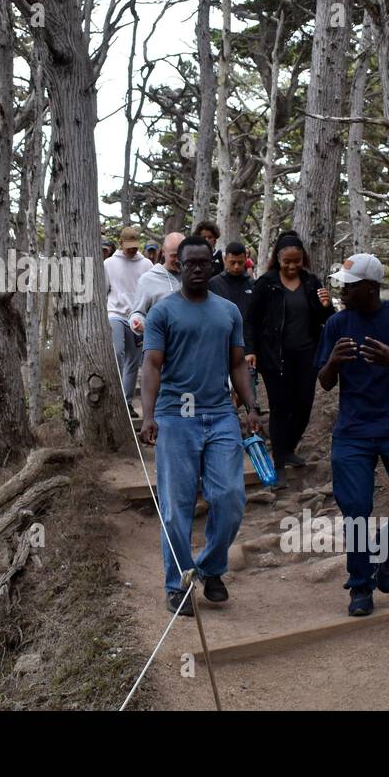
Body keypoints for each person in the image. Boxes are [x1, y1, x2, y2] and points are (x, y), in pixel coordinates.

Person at [139, 236, 262, 617]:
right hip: (177, 417)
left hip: (220, 413)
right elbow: (152, 366)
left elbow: (238, 363)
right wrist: (148, 414)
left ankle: (209, 568)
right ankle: (177, 583)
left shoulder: (228, 311)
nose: (195, 269)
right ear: (178, 265)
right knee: (177, 507)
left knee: (230, 498)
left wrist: (252, 408)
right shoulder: (163, 312)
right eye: (187, 263)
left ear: (213, 263)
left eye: (202, 263)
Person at [314, 253, 389, 617]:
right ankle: (360, 587)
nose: (342, 292)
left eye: (348, 287)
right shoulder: (336, 323)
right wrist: (332, 361)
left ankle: (386, 554)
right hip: (353, 430)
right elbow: (325, 382)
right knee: (356, 510)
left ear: (370, 287)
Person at [248, 231, 335, 483]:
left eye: (296, 261)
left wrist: (327, 306)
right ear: (278, 259)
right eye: (287, 261)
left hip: (307, 354)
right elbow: (251, 320)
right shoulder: (266, 283)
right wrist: (250, 350)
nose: (292, 266)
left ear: (302, 259)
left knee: (304, 406)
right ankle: (279, 464)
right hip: (275, 356)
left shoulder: (311, 282)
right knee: (279, 407)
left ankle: (287, 449)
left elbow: (327, 321)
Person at [208, 241, 262, 414]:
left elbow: (255, 320)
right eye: (233, 262)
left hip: (246, 347)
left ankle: (245, 424)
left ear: (246, 259)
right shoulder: (214, 284)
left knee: (246, 388)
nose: (237, 266)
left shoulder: (253, 285)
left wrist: (253, 348)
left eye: (240, 262)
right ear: (225, 260)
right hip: (219, 347)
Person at [105, 226, 152, 416]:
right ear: (121, 243)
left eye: (135, 246)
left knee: (133, 361)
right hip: (115, 312)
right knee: (117, 352)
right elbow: (104, 289)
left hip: (137, 316)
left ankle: (127, 402)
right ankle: (113, 398)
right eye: (128, 246)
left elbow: (149, 292)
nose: (132, 249)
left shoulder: (146, 264)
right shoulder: (108, 264)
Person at [129, 231, 184, 336]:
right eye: (173, 255)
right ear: (163, 252)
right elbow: (138, 312)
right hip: (160, 342)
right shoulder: (148, 279)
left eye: (181, 255)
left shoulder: (193, 276)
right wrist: (138, 322)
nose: (178, 260)